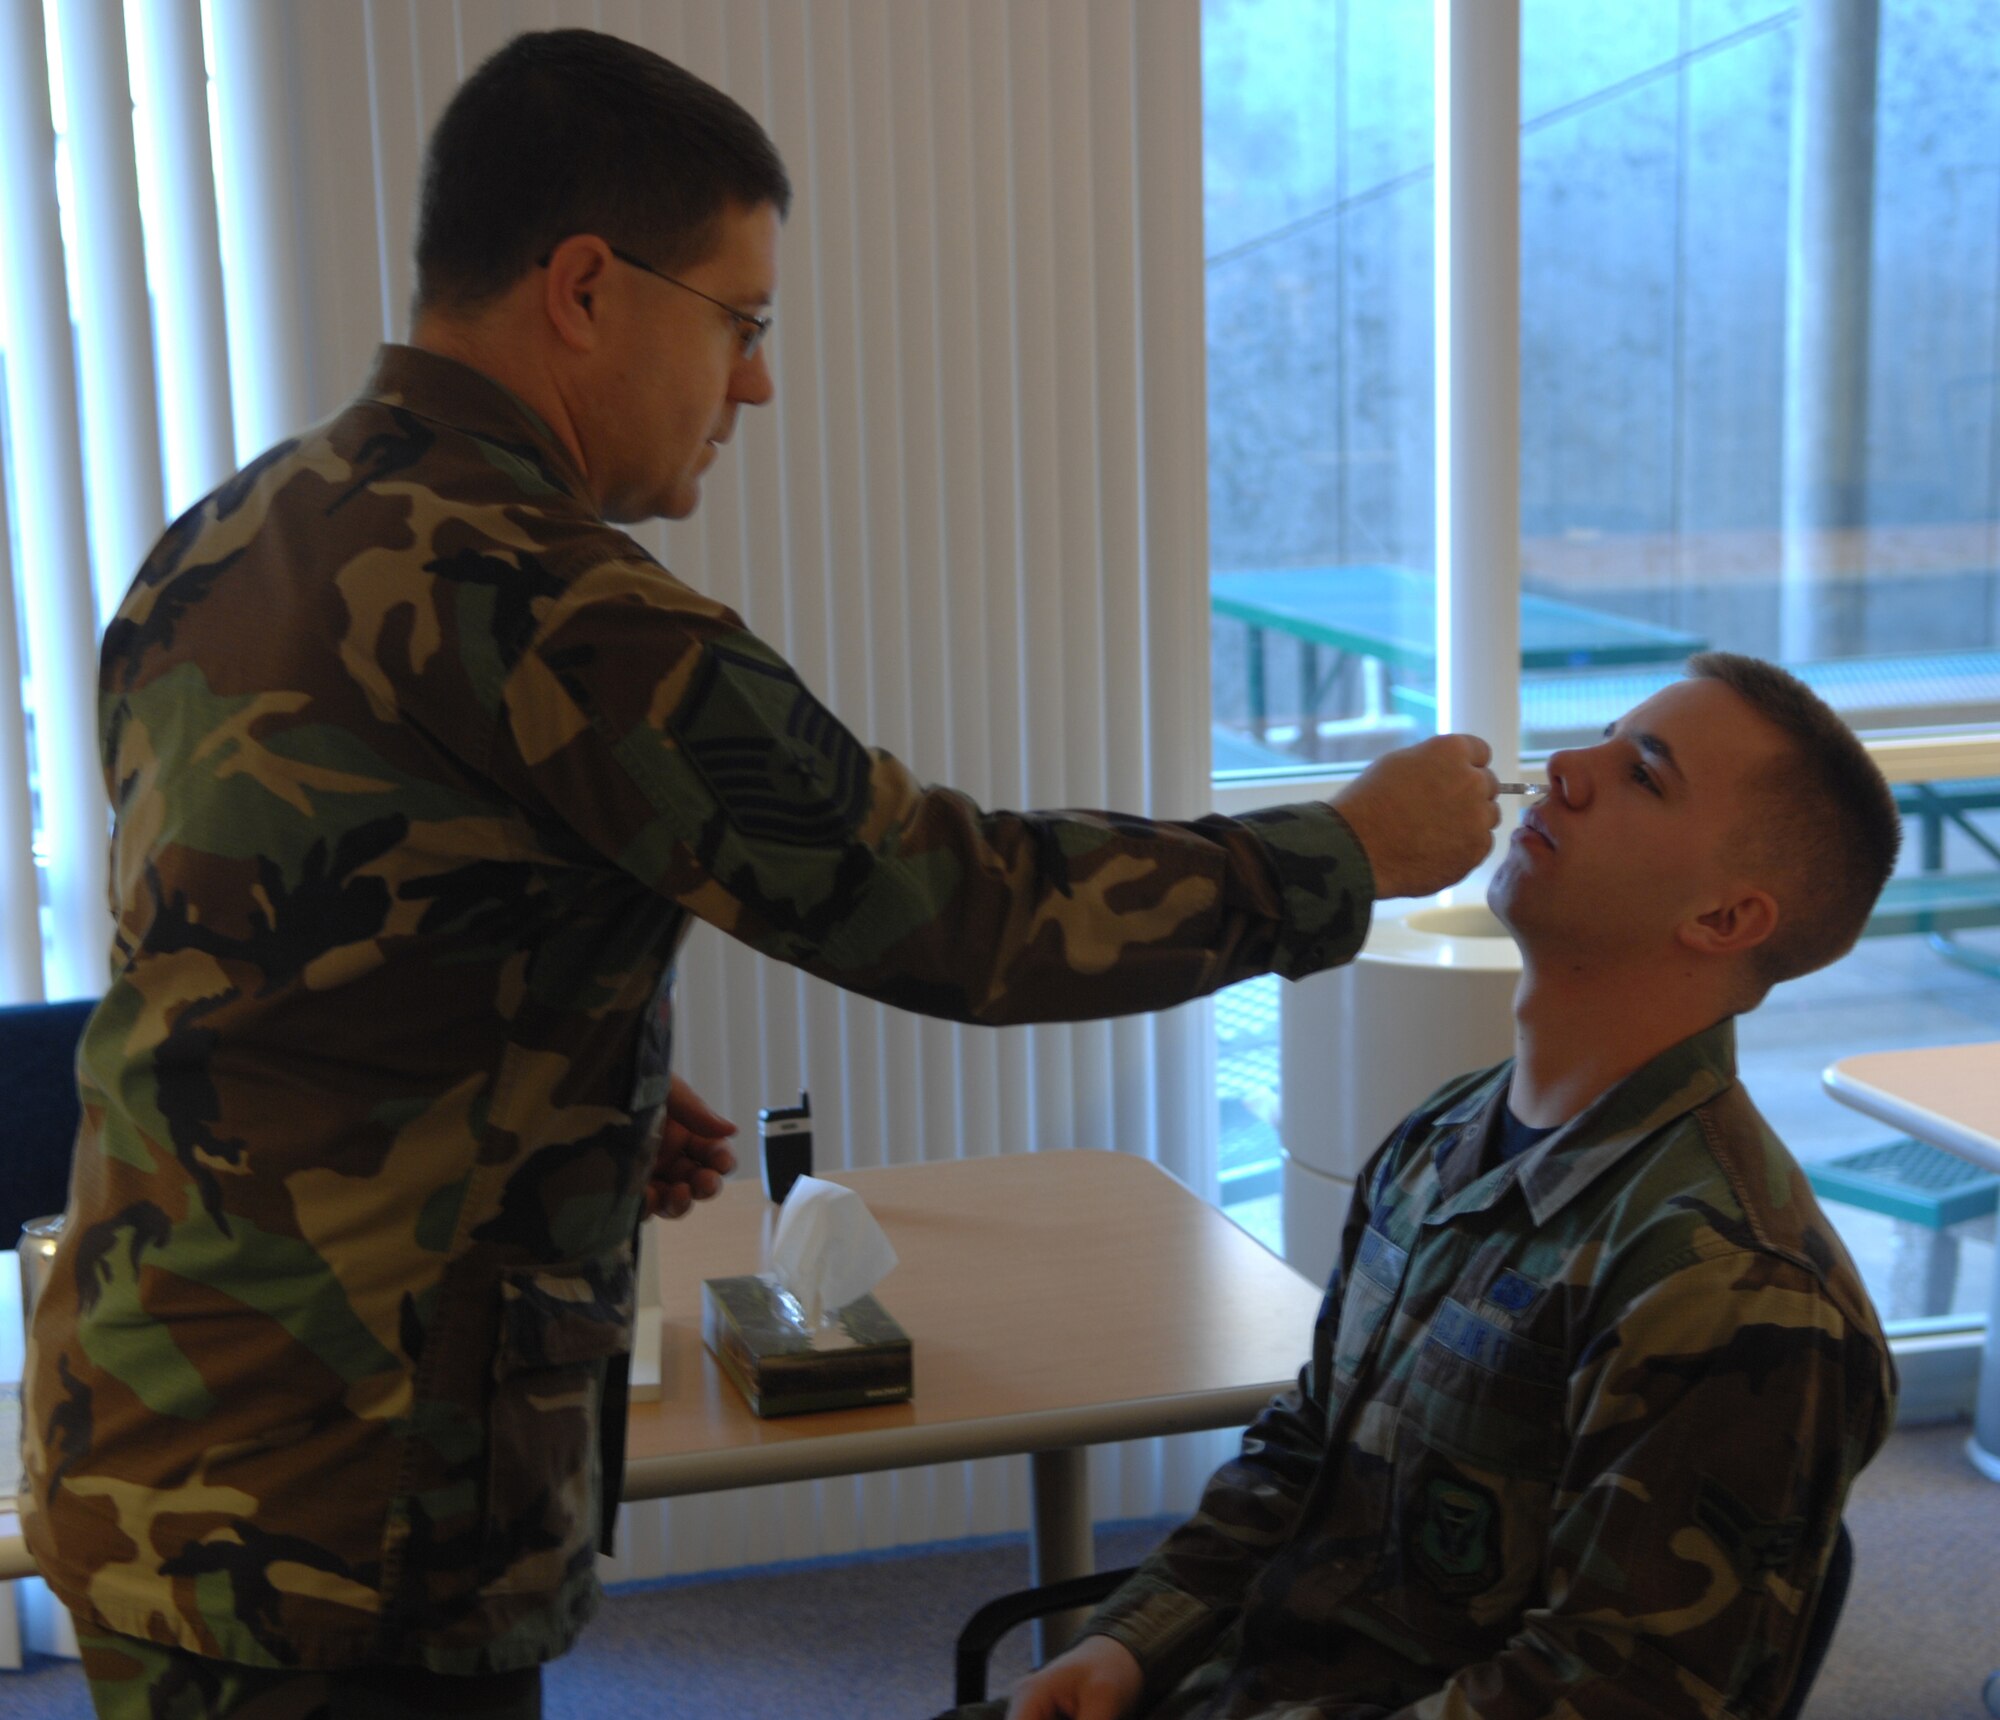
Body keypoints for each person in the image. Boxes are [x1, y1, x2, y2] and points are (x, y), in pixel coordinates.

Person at [20, 28, 1501, 1718]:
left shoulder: (227, 534)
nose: (757, 383)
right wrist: (1346, 854)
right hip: (344, 1523)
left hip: (148, 1431)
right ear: (585, 288)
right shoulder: (568, 608)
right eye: (742, 319)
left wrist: (555, 1062)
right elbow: (961, 911)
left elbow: (257, 945)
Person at [975, 653, 1903, 1720]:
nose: (1562, 767)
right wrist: (1133, 1642)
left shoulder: (1739, 1294)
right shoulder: (1445, 1132)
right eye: (1598, 736)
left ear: (1725, 920)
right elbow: (1307, 1446)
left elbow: (1601, 1695)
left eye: (1643, 773)